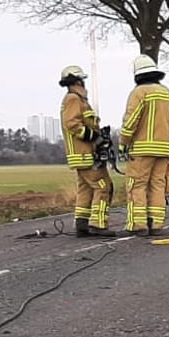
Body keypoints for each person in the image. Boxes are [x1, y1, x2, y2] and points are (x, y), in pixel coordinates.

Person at [119, 55, 169, 236]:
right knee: (157, 185)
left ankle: (138, 225)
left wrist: (123, 143)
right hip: (163, 149)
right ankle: (156, 224)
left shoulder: (139, 92)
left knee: (136, 185)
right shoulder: (168, 94)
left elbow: (131, 121)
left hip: (142, 149)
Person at [59, 65, 113, 237]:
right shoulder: (73, 99)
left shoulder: (78, 100)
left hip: (84, 154)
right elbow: (72, 124)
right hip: (84, 154)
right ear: (77, 81)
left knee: (86, 188)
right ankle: (98, 224)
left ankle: (82, 224)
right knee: (104, 186)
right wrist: (94, 137)